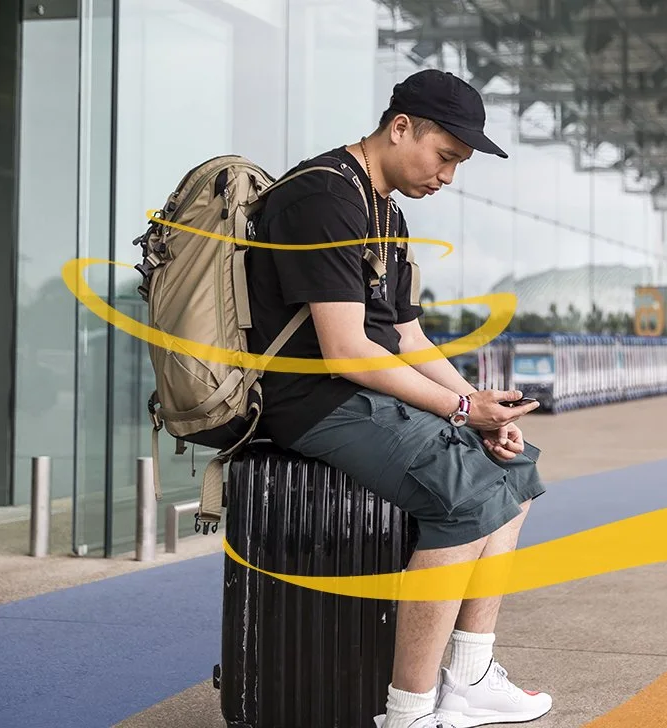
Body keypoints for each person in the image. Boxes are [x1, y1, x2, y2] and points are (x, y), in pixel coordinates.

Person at [245, 69, 552, 728]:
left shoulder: (386, 210)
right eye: (445, 156)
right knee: (463, 491)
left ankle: (468, 675)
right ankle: (408, 712)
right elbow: (346, 349)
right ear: (401, 126)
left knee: (515, 468)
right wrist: (459, 413)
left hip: (358, 392)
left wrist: (481, 405)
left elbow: (406, 335)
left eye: (458, 165)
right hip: (310, 398)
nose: (447, 175)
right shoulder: (323, 197)